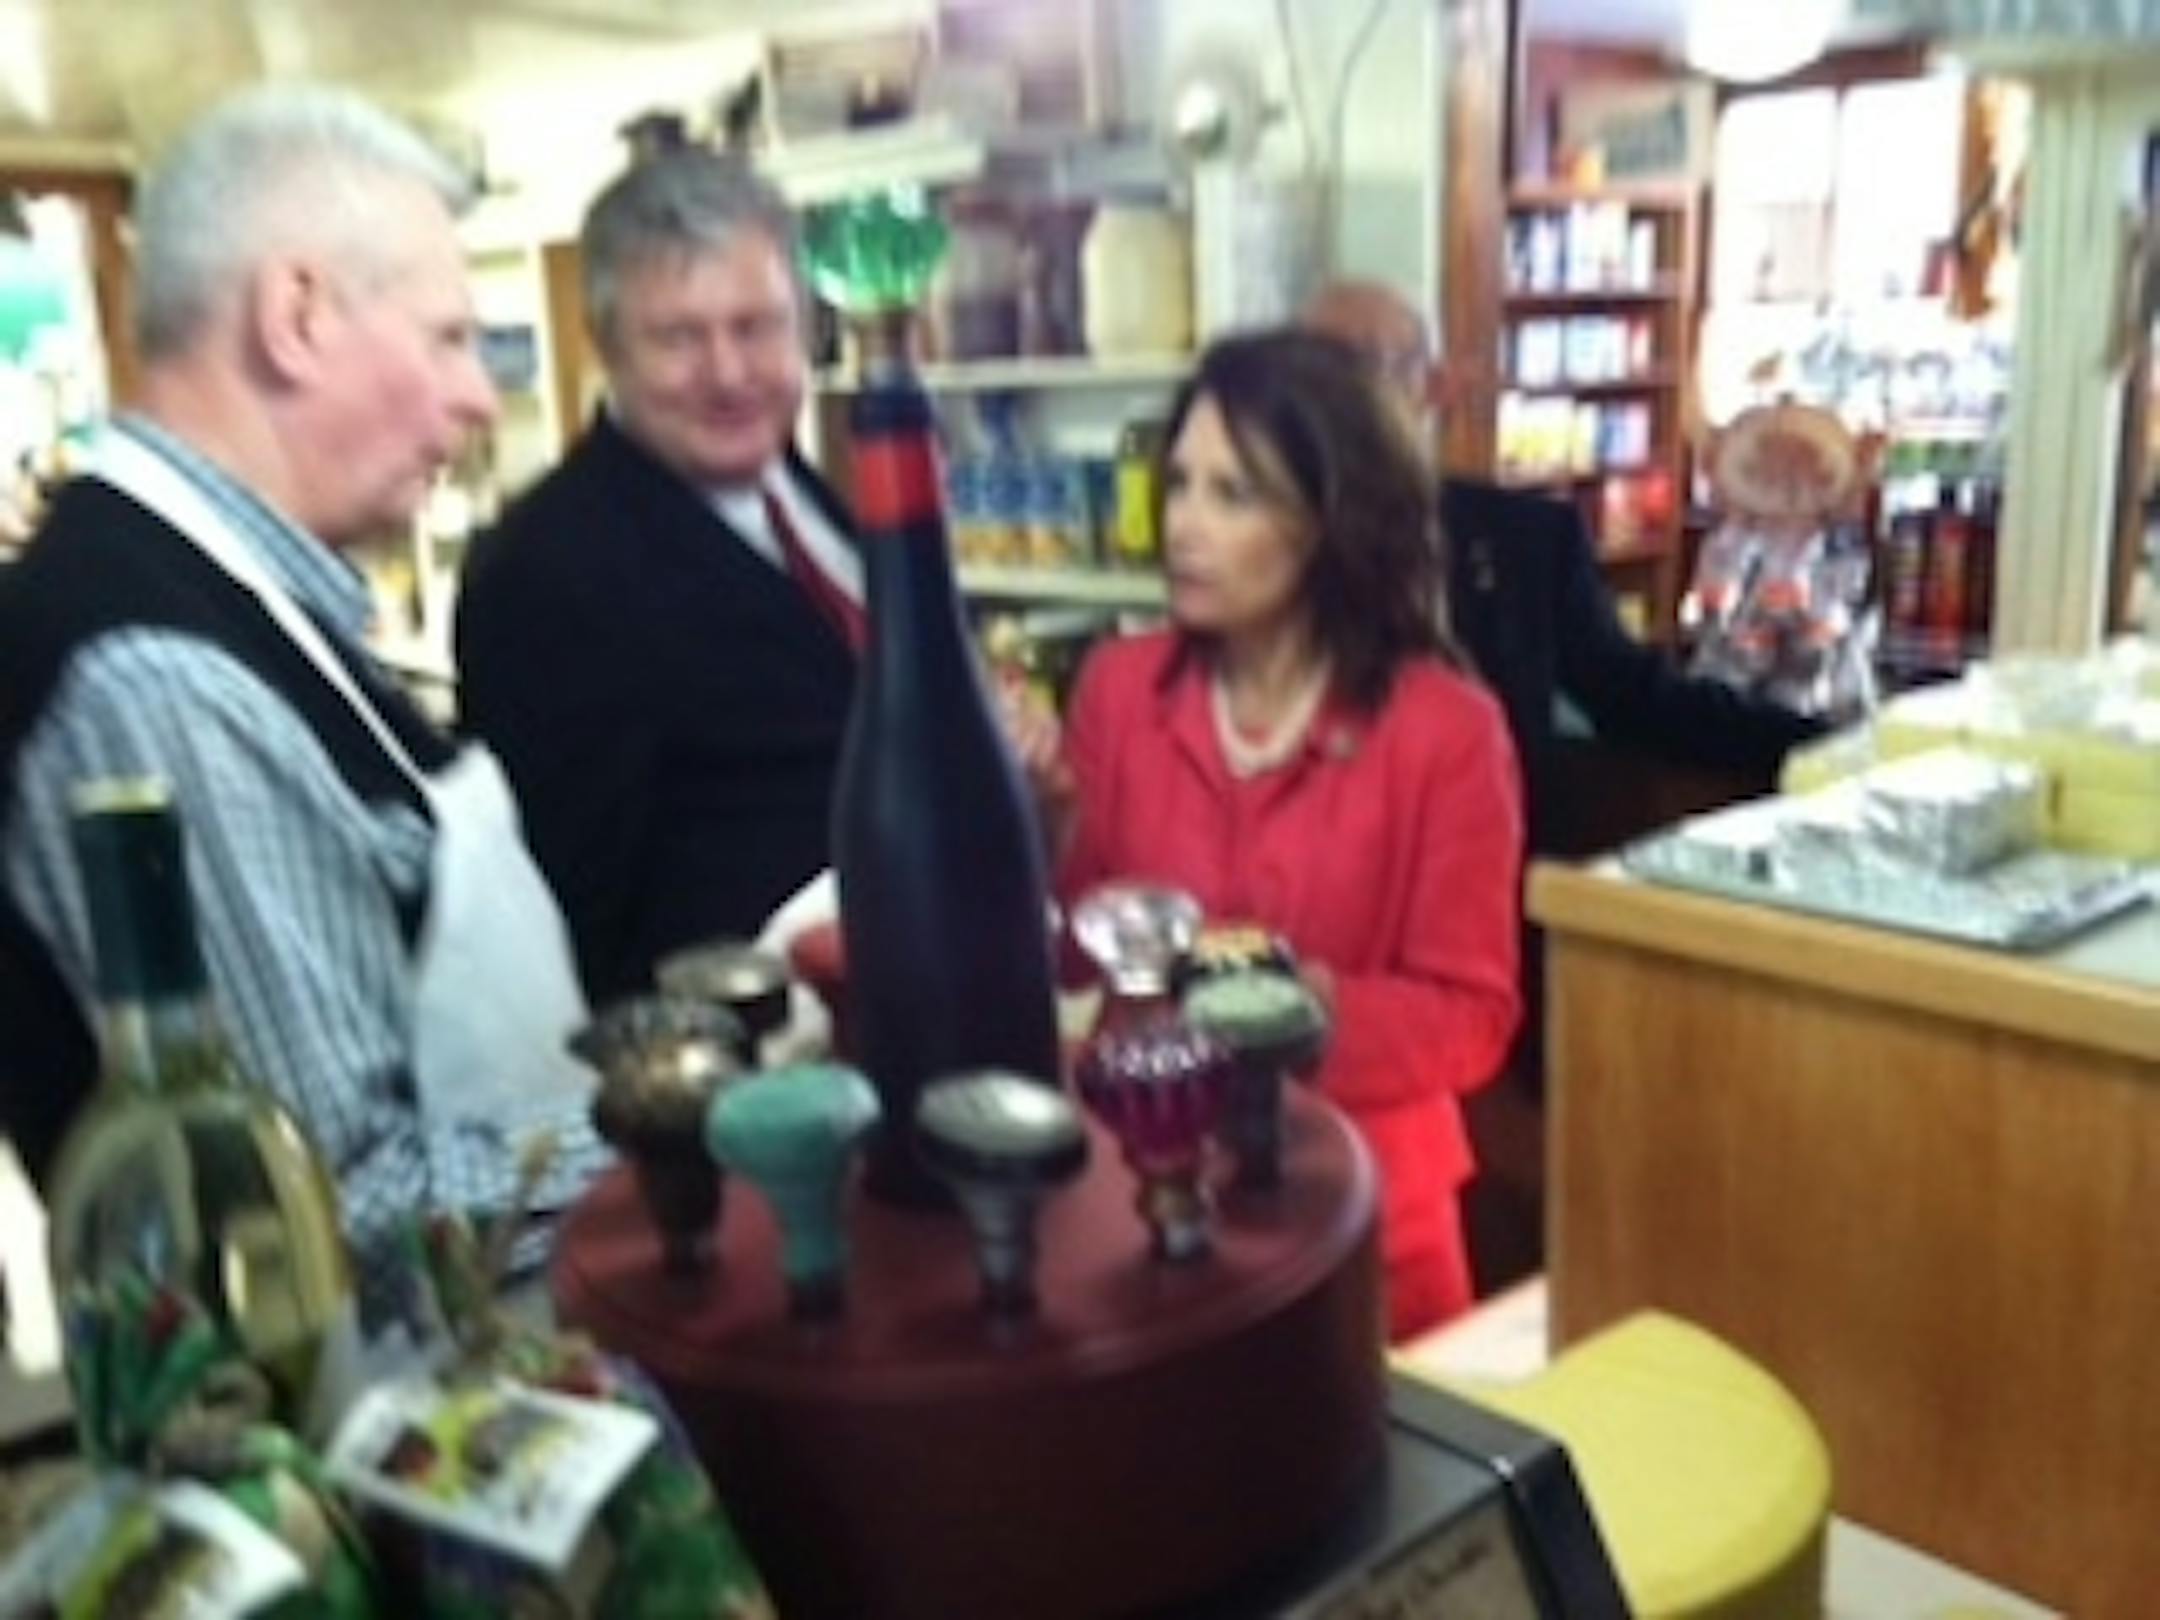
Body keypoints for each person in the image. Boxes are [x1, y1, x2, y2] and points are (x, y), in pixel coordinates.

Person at [0, 88, 603, 1315]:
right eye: (446, 337)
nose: (481, 398)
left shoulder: (244, 597)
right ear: (297, 317)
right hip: (386, 1444)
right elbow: (332, 1205)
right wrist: (679, 1128)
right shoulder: (162, 672)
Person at [1026, 331, 1523, 1342]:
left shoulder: (1446, 729)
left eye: (1233, 494)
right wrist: (1039, 828)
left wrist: (1278, 1017)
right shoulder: (1121, 690)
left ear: (1329, 520)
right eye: (1178, 485)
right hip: (1149, 1196)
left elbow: (1471, 1017)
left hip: (1369, 1217)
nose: (1183, 527)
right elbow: (1078, 961)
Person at [456, 149, 860, 1006]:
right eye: (679, 338)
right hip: (749, 1079)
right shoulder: (542, 571)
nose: (729, 374)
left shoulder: (816, 493)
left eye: (756, 326)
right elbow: (569, 920)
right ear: (606, 347)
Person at [1300, 279, 1824, 857]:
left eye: (1361, 366)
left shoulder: (1523, 541)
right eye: (1309, 371)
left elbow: (1636, 696)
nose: (1334, 397)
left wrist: (1824, 747)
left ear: (1436, 387)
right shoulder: (1260, 545)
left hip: (1481, 874)